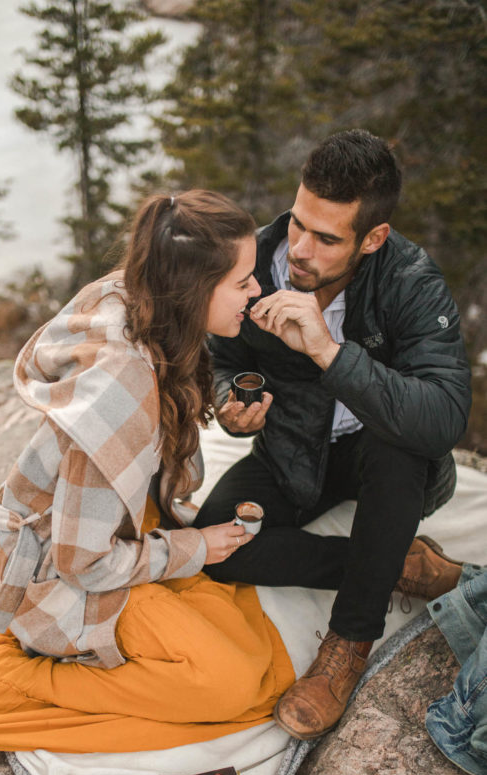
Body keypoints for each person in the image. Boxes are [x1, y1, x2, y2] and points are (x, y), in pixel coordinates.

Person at [0, 190, 295, 755]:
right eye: (243, 281)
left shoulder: (146, 299)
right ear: (194, 289)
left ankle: (26, 655)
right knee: (230, 686)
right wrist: (193, 547)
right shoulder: (121, 393)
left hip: (117, 527)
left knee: (246, 649)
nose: (257, 291)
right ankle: (6, 677)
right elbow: (82, 563)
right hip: (72, 569)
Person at [194, 129, 472, 741]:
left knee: (402, 440)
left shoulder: (409, 279)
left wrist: (327, 349)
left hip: (383, 458)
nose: (300, 250)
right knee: (214, 548)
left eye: (326, 239)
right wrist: (228, 404)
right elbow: (219, 359)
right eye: (298, 223)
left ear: (373, 238)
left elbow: (446, 415)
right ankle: (397, 565)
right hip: (292, 451)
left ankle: (348, 645)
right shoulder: (254, 264)